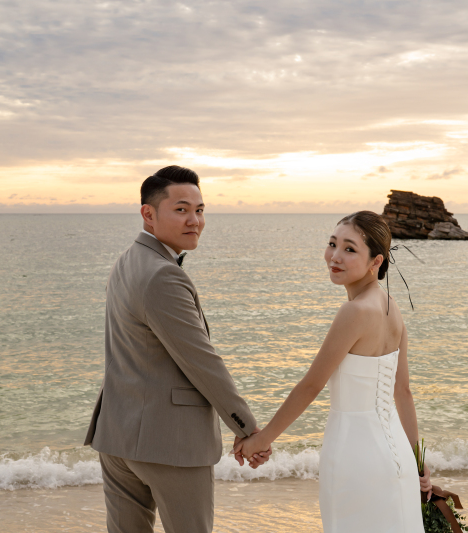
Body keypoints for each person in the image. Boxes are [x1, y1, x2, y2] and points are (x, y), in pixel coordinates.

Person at [84, 165, 270, 533]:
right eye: (181, 209)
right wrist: (248, 429)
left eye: (200, 211)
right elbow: (202, 363)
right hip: (171, 446)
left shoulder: (126, 261)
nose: (195, 221)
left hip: (118, 438)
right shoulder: (163, 275)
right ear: (148, 214)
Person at [233, 210, 432, 532]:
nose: (335, 257)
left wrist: (262, 439)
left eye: (350, 249)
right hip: (398, 459)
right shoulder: (390, 307)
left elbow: (311, 386)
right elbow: (403, 392)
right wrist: (418, 464)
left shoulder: (354, 312)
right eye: (332, 244)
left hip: (355, 455)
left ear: (376, 262)